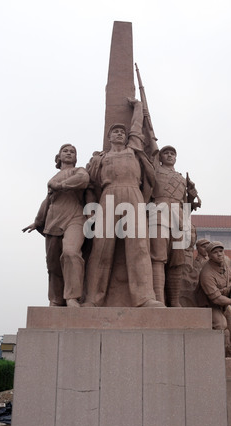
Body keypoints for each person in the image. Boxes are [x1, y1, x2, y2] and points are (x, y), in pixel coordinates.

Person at [83, 98, 164, 308]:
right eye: (115, 132)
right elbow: (90, 185)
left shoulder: (133, 149)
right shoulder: (99, 159)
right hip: (108, 196)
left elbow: (137, 127)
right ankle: (93, 299)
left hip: (133, 193)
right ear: (109, 137)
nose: (119, 134)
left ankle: (144, 297)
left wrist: (137, 107)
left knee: (139, 247)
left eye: (122, 132)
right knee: (101, 249)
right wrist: (90, 209)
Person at [23, 144, 89, 307]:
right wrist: (38, 221)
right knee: (53, 264)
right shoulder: (53, 179)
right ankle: (56, 299)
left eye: (72, 152)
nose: (69, 153)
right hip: (54, 221)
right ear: (58, 157)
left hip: (75, 217)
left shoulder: (79, 171)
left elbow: (83, 180)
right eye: (65, 151)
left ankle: (72, 297)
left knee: (70, 253)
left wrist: (60, 185)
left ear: (76, 158)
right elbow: (48, 202)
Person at [149, 146, 187, 306]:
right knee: (158, 257)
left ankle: (174, 300)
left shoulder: (182, 178)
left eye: (173, 154)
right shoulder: (154, 171)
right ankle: (159, 299)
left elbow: (185, 203)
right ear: (160, 157)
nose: (170, 155)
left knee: (177, 260)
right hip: (158, 213)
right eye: (166, 153)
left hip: (178, 216)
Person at [197, 241, 231, 345]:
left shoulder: (226, 261)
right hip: (209, 304)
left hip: (224, 302)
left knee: (230, 314)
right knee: (220, 324)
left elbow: (229, 272)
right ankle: (217, 350)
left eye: (221, 251)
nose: (219, 254)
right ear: (209, 256)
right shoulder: (206, 274)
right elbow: (216, 298)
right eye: (215, 252)